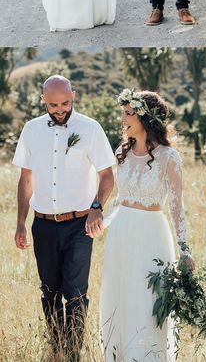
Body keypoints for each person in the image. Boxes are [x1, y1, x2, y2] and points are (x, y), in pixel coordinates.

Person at [13, 75, 115, 359]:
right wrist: (21, 222)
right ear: (43, 100)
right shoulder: (31, 130)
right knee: (49, 291)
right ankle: (56, 347)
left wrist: (97, 206)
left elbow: (107, 175)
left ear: (74, 96)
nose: (60, 110)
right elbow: (25, 180)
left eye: (65, 104)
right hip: (43, 225)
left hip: (79, 225)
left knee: (76, 292)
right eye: (53, 105)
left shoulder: (90, 128)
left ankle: (72, 354)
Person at [100, 89, 195, 362]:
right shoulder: (122, 153)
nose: (123, 119)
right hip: (121, 233)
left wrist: (185, 249)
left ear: (146, 117)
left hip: (151, 234)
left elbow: (177, 207)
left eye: (128, 113)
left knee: (147, 301)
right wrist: (102, 223)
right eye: (124, 113)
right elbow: (120, 199)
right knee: (120, 297)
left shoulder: (169, 157)